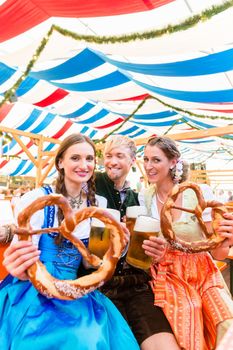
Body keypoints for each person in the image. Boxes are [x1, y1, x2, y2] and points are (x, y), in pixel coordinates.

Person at [0, 133, 139, 350]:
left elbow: (91, 263)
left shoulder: (99, 205)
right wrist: (17, 264)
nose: (84, 165)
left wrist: (117, 247)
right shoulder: (37, 199)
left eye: (90, 159)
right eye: (75, 158)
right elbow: (23, 255)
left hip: (76, 288)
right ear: (60, 163)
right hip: (33, 287)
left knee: (89, 337)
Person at [139, 136, 233, 350]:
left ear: (173, 162)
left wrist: (227, 238)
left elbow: (217, 253)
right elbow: (146, 248)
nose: (148, 166)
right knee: (187, 317)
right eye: (145, 159)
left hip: (203, 271)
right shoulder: (144, 197)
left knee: (226, 319)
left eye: (156, 160)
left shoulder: (199, 193)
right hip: (167, 273)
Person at [95, 135, 180, 350]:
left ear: (133, 161)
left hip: (137, 282)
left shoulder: (138, 198)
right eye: (108, 155)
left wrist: (155, 250)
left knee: (166, 345)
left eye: (119, 156)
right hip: (101, 284)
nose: (112, 161)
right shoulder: (92, 183)